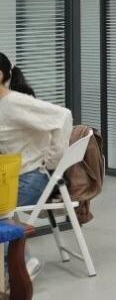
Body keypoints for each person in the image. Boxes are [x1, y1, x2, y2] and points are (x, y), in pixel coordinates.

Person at [0, 51, 72, 279]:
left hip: (31, 178)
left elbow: (63, 116)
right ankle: (17, 263)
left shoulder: (15, 102)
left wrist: (52, 161)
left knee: (1, 212)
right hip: (11, 177)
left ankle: (22, 264)